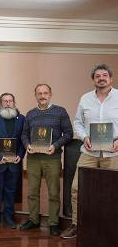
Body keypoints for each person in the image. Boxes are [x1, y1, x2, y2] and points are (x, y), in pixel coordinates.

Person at [61, 64, 118, 239]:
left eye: (104, 75)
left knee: (113, 191)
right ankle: (77, 224)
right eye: (97, 76)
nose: (101, 78)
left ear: (111, 78)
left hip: (113, 154)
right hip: (89, 153)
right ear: (93, 80)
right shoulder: (85, 98)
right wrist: (84, 136)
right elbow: (78, 122)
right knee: (78, 188)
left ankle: (111, 226)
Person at [21, 84, 73, 236]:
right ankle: (33, 219)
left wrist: (55, 146)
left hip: (52, 157)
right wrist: (26, 145)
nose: (42, 96)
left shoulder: (60, 111)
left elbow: (68, 133)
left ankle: (53, 222)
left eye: (45, 93)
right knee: (32, 191)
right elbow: (24, 134)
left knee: (54, 192)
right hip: (33, 158)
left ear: (50, 94)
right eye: (39, 93)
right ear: (35, 95)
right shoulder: (30, 114)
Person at [0, 93, 25, 228]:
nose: (8, 103)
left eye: (10, 101)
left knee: (10, 190)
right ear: (0, 103)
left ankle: (9, 217)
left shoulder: (22, 119)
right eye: (5, 101)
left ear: (14, 103)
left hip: (14, 163)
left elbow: (23, 140)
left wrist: (20, 154)